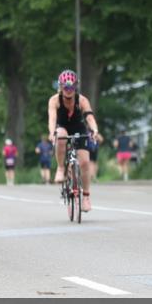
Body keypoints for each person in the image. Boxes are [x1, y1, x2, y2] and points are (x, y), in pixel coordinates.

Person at [48, 69, 102, 212]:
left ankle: (86, 197)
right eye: (66, 87)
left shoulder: (82, 100)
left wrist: (94, 130)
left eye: (71, 87)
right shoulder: (54, 100)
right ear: (60, 87)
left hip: (79, 129)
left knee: (84, 162)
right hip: (62, 127)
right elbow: (52, 118)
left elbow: (89, 117)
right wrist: (51, 132)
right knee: (60, 136)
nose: (69, 90)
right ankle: (60, 168)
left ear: (75, 86)